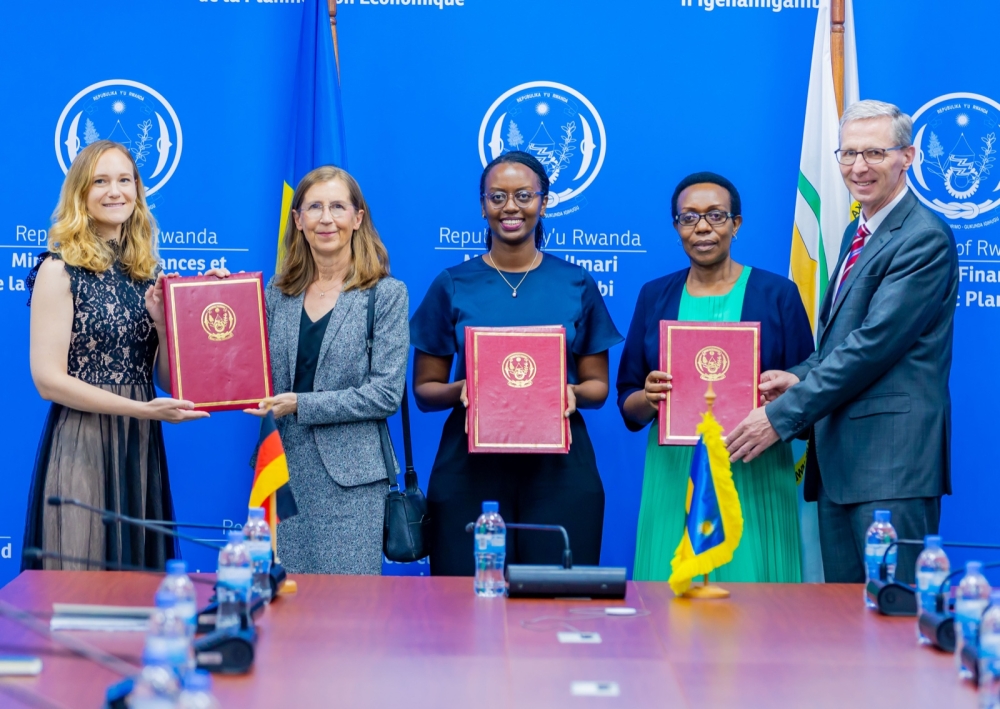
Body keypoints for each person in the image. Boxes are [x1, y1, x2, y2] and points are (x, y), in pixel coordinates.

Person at [727, 100, 959, 584]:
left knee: (894, 620)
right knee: (847, 628)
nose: (858, 167)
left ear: (908, 157)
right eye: (848, 153)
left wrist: (780, 417)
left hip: (890, 467)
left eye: (875, 153)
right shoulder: (861, 229)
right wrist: (799, 376)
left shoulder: (922, 237)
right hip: (842, 466)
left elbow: (874, 344)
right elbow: (845, 337)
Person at [410, 151, 623, 576]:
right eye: (498, 196)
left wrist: (571, 392)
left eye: (524, 195)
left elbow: (598, 386)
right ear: (483, 205)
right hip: (470, 468)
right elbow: (425, 390)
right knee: (465, 603)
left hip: (559, 469)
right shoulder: (453, 284)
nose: (511, 207)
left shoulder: (575, 283)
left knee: (557, 598)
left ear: (544, 202)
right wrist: (461, 389)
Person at [23, 140, 212, 572]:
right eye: (101, 181)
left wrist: (166, 324)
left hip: (139, 449)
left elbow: (165, 380)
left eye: (124, 180)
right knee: (79, 587)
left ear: (137, 191)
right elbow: (47, 380)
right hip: (83, 444)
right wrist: (142, 410)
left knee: (137, 593)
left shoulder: (149, 272)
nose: (115, 191)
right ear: (81, 195)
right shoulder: (59, 268)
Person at [616, 172, 814, 583]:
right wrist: (649, 396)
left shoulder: (778, 294)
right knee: (673, 604)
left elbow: (808, 391)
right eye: (688, 218)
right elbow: (628, 400)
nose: (702, 227)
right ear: (676, 227)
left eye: (716, 216)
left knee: (754, 603)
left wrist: (780, 390)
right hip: (675, 472)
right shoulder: (655, 295)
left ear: (736, 224)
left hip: (753, 467)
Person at [245, 166, 408, 575]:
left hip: (351, 481)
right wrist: (221, 297)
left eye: (338, 206)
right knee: (281, 604)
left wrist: (300, 404)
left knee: (347, 613)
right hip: (280, 469)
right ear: (297, 220)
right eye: (314, 207)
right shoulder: (275, 295)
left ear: (358, 218)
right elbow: (240, 362)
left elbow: (386, 394)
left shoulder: (386, 295)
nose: (326, 218)